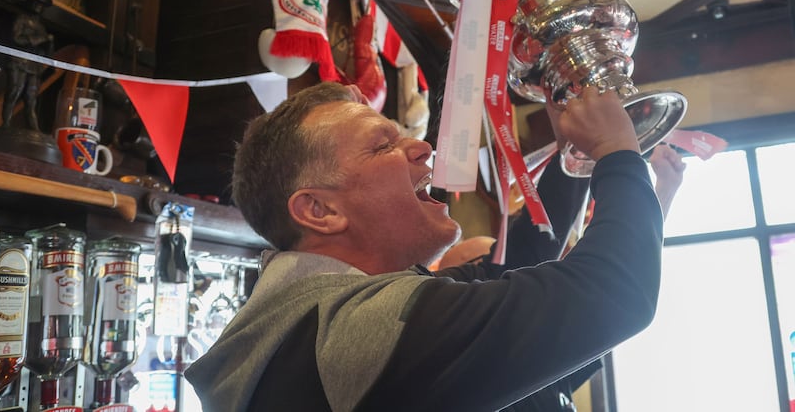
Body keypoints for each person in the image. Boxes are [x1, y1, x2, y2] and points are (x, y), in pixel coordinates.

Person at [185, 81, 665, 412]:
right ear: (320, 211)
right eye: (382, 145)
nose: (422, 148)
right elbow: (614, 293)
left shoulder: (326, 312)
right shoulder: (357, 327)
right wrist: (617, 154)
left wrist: (572, 157)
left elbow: (518, 267)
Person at [438, 142, 686, 411]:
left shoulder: (543, 355)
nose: (519, 278)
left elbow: (606, 289)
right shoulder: (465, 341)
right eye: (492, 264)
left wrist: (664, 192)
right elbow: (612, 290)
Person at [1, 0, 53, 130]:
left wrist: (49, 43)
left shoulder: (41, 27)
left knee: (31, 99)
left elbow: (45, 53)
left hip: (33, 65)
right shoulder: (22, 19)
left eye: (41, 5)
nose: (38, 7)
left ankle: (35, 130)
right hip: (18, 61)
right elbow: (16, 39)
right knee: (14, 92)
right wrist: (39, 39)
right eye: (36, 3)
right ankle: (6, 125)